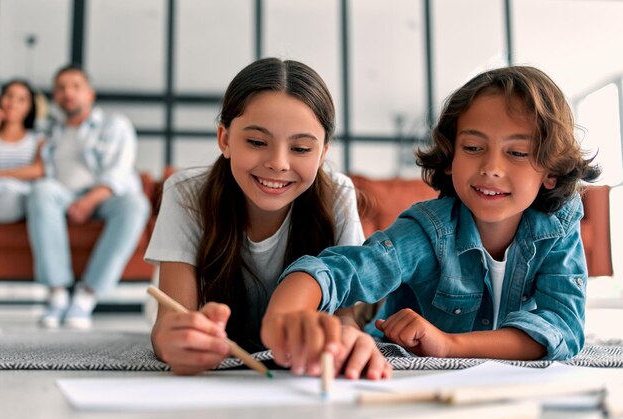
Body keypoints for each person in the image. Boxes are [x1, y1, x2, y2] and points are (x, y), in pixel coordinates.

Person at [261, 65, 601, 371]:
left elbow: (564, 328)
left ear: (551, 172)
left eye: (517, 153)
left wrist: (450, 344)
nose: (491, 169)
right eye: (472, 147)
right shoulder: (429, 231)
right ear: (451, 157)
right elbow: (337, 271)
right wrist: (286, 320)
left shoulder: (558, 224)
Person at [145, 57, 391, 379]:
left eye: (301, 149)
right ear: (225, 139)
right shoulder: (186, 193)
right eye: (257, 142)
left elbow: (346, 316)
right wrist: (170, 342)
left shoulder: (337, 195)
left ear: (323, 153)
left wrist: (345, 337)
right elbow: (169, 319)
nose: (278, 163)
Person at [29, 65, 151, 329]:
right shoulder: (49, 133)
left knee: (135, 204)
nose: (67, 93)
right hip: (62, 194)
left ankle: (86, 295)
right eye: (60, 88)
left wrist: (88, 201)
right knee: (41, 191)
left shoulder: (114, 124)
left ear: (90, 94)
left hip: (106, 195)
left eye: (75, 86)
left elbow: (118, 171)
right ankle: (58, 293)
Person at [0, 79, 44, 222]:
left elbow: (37, 171)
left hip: (19, 198)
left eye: (21, 99)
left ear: (30, 107)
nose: (13, 103)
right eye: (9, 96)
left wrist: (0, 174)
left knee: (10, 192)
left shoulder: (38, 139)